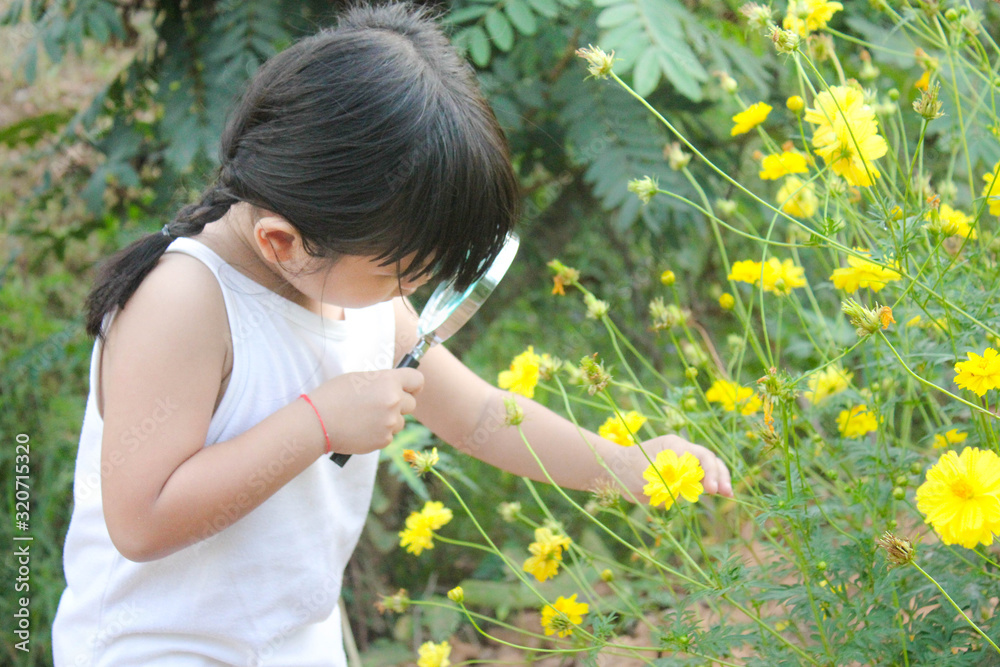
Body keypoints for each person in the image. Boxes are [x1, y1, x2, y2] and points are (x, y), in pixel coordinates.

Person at [52, 3, 733, 665]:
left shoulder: (358, 294)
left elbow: (479, 416)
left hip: (290, 642)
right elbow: (141, 521)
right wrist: (317, 423)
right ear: (282, 241)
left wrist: (625, 465)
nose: (409, 292)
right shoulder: (182, 302)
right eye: (402, 272)